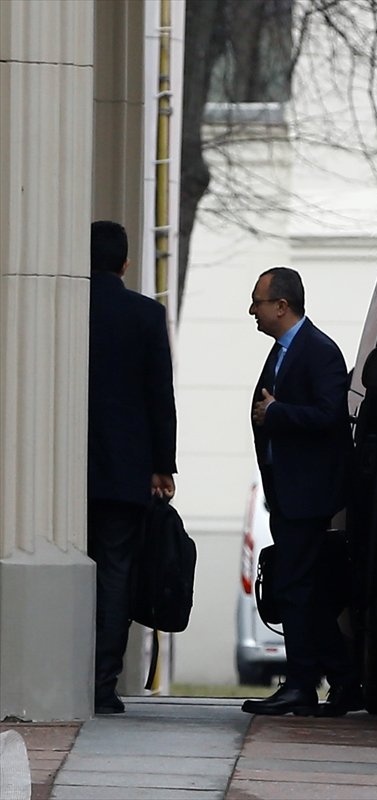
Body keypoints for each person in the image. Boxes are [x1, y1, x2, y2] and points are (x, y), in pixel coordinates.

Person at [241, 266, 362, 717]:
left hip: (310, 495)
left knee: (295, 586)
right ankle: (341, 680)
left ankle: (302, 684)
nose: (252, 310)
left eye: (257, 301)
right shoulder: (282, 351)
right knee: (300, 589)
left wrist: (277, 414)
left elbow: (330, 416)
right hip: (288, 492)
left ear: (281, 305)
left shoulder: (319, 351)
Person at [88, 220, 178, 715]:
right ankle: (103, 685)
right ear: (125, 263)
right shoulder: (145, 315)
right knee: (115, 574)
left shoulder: (64, 309)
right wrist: (163, 464)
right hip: (125, 471)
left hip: (63, 473)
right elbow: (158, 396)